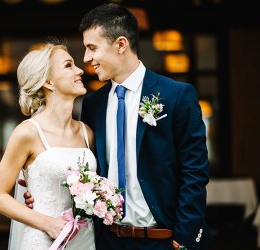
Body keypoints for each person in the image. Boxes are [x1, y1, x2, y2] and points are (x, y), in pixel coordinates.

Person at [24, 3, 212, 250]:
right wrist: (39, 183)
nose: (86, 58)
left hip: (164, 240)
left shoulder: (176, 96)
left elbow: (195, 171)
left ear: (121, 44)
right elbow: (84, 168)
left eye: (92, 48)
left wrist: (185, 238)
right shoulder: (93, 104)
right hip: (106, 240)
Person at [0, 41, 97, 250]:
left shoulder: (87, 133)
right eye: (68, 65)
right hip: (44, 240)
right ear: (48, 82)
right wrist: (49, 224)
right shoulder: (27, 132)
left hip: (85, 240)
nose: (79, 70)